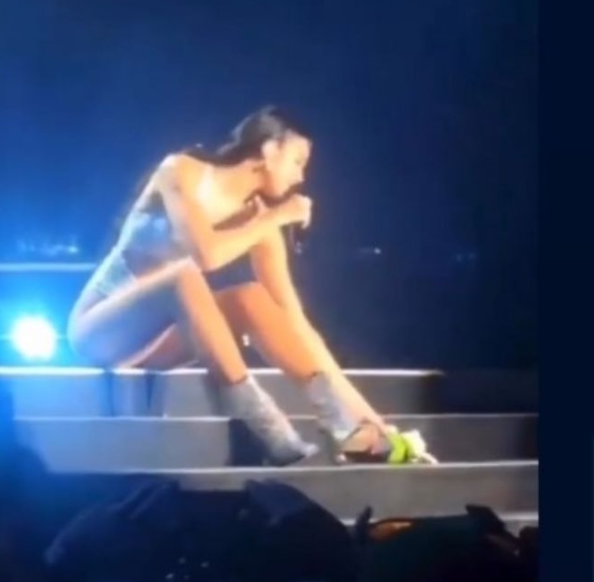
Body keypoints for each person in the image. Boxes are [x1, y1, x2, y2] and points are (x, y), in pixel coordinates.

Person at [68, 107, 434, 466]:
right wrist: (276, 217)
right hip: (101, 331)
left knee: (252, 298)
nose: (300, 177)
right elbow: (206, 254)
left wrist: (371, 419)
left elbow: (295, 322)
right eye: (297, 161)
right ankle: (262, 426)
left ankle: (345, 427)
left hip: (160, 345)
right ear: (269, 150)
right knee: (184, 275)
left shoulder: (261, 222)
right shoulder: (180, 171)